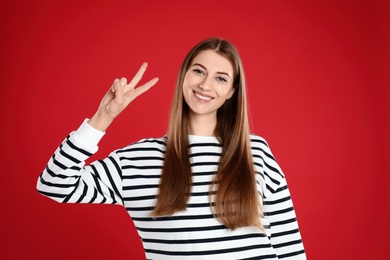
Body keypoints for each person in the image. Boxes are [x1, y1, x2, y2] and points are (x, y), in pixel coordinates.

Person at [37, 38, 306, 259]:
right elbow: (54, 184)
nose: (205, 85)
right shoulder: (137, 160)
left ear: (232, 92)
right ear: (184, 75)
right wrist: (103, 117)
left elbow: (289, 246)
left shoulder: (255, 152)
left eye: (221, 79)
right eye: (199, 71)